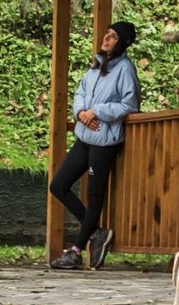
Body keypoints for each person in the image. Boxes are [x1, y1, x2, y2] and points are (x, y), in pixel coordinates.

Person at [49, 21, 141, 270]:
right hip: (85, 136)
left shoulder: (125, 69)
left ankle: (76, 251)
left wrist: (97, 111)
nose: (106, 39)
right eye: (107, 34)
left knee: (94, 195)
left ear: (123, 43)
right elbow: (80, 92)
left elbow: (130, 104)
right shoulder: (97, 65)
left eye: (113, 36)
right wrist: (81, 112)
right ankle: (97, 232)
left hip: (105, 140)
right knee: (58, 185)